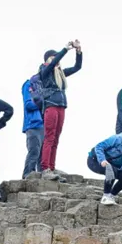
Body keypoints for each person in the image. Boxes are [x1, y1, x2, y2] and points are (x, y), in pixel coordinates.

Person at [38, 40, 83, 175]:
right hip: (51, 106)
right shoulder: (44, 71)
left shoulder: (60, 73)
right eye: (55, 57)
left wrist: (78, 51)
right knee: (49, 136)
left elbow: (77, 67)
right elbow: (52, 64)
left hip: (61, 107)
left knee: (56, 137)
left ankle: (52, 166)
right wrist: (65, 49)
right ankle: (45, 166)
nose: (58, 60)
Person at [21, 74, 44, 178]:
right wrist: (42, 103)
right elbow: (28, 105)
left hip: (45, 124)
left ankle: (42, 175)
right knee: (34, 151)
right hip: (33, 124)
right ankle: (28, 175)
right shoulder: (29, 84)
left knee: (43, 154)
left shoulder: (46, 86)